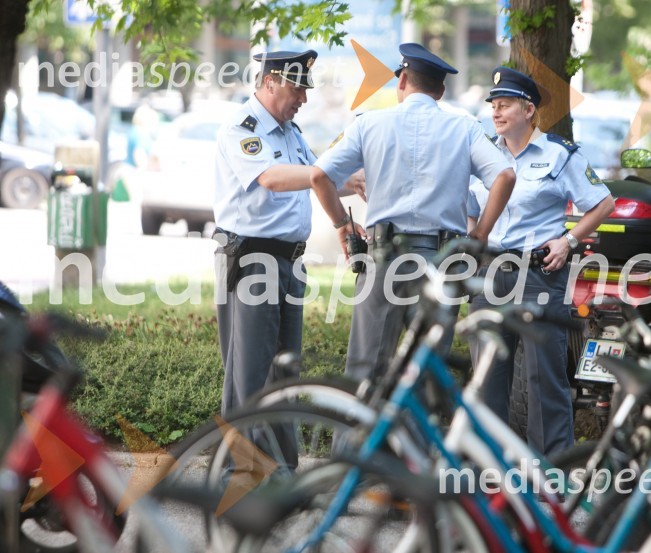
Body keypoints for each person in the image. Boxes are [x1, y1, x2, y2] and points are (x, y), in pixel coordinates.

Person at [309, 43, 517, 382]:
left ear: (402, 80)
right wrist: (480, 234)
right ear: (441, 90)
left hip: (382, 257)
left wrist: (342, 224)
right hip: (441, 261)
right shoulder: (464, 129)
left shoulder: (368, 124)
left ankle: (356, 437)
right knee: (427, 377)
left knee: (365, 373)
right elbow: (505, 176)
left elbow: (319, 176)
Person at [467, 67, 615, 457]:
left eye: (505, 105)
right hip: (489, 274)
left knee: (544, 380)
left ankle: (551, 477)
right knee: (486, 379)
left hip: (539, 276)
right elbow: (468, 207)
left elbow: (603, 203)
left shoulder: (558, 153)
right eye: (493, 106)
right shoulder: (483, 154)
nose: (496, 113)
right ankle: (488, 476)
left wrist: (568, 241)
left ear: (528, 109)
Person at [213, 49, 331, 472]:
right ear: (270, 82)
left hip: (289, 262)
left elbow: (316, 174)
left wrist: (351, 179)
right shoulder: (243, 128)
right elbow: (272, 178)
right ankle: (240, 473)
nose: (303, 98)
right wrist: (326, 176)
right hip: (253, 258)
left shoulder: (290, 133)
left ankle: (282, 469)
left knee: (284, 371)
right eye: (298, 88)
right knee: (251, 374)